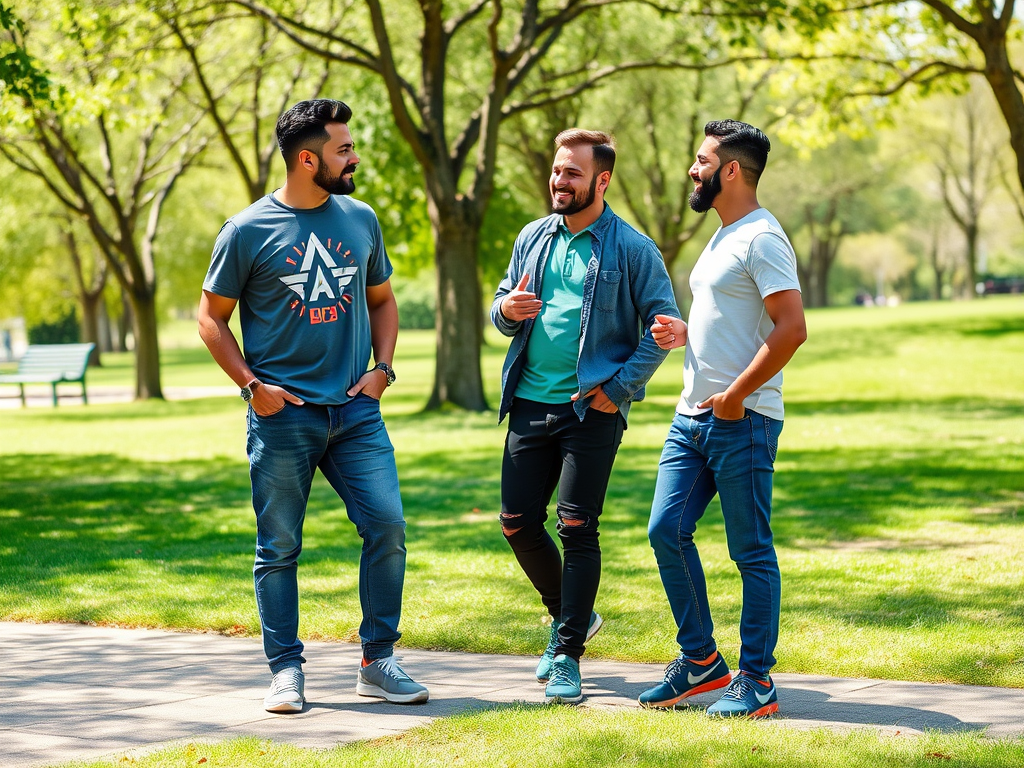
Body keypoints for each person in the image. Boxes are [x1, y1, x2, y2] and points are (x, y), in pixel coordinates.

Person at [198, 99, 428, 713]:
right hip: (282, 416)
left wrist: (382, 369)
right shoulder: (246, 231)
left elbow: (382, 300)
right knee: (279, 546)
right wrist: (252, 387)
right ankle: (285, 671)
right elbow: (211, 319)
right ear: (308, 159)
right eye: (343, 149)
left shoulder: (360, 219)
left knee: (387, 527)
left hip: (356, 414)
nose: (354, 158)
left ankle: (378, 661)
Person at [491, 129, 680, 704]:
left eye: (572, 173)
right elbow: (503, 306)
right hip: (529, 401)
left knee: (576, 526)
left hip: (588, 410)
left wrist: (619, 388)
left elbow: (663, 327)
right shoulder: (533, 237)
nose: (559, 181)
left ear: (601, 180)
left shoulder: (633, 248)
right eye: (556, 170)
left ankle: (568, 653)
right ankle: (571, 617)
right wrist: (506, 308)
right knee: (518, 522)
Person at [638, 120, 807, 718]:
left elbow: (792, 329)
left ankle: (757, 680)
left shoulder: (762, 238)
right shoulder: (724, 235)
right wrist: (689, 335)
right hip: (693, 417)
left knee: (750, 550)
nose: (694, 168)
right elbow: (738, 325)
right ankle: (703, 664)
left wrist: (735, 396)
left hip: (744, 419)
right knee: (665, 529)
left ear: (730, 170)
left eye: (702, 159)